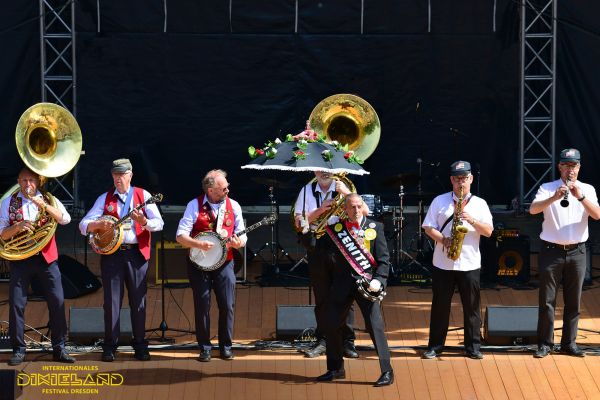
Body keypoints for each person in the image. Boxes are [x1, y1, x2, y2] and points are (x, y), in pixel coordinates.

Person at [79, 159, 164, 362]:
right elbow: (83, 225)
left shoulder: (143, 196)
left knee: (138, 301)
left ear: (130, 175)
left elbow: (159, 223)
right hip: (112, 256)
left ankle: (140, 345)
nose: (117, 178)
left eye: (121, 174)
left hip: (136, 254)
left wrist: (143, 221)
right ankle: (110, 345)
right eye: (115, 175)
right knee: (111, 302)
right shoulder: (104, 198)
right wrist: (96, 224)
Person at [316, 193, 394, 386]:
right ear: (345, 209)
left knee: (375, 326)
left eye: (359, 206)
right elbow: (318, 249)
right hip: (341, 285)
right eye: (352, 207)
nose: (356, 210)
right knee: (331, 323)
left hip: (367, 285)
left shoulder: (376, 228)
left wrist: (379, 280)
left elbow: (384, 260)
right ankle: (335, 368)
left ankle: (387, 371)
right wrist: (306, 229)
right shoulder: (336, 230)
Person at [529, 148, 600, 358]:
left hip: (577, 251)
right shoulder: (547, 187)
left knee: (573, 300)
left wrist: (581, 197)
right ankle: (545, 344)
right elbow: (533, 209)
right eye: (567, 165)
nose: (571, 169)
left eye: (574, 165)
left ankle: (569, 343)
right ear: (560, 166)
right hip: (551, 251)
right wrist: (553, 198)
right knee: (547, 300)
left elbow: (596, 215)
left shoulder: (587, 188)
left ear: (579, 167)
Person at [0, 167, 75, 365]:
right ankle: (18, 349)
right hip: (20, 260)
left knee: (57, 302)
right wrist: (16, 227)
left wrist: (45, 206)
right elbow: (2, 234)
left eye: (31, 181)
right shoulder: (8, 202)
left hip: (46, 259)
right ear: (18, 181)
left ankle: (59, 348)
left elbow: (65, 219)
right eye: (24, 180)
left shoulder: (49, 199)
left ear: (38, 182)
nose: (27, 185)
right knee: (17, 304)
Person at [421, 160, 493, 360]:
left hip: (469, 263)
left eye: (465, 178)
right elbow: (428, 227)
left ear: (471, 179)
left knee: (471, 306)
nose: (461, 183)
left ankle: (473, 347)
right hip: (443, 262)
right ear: (452, 180)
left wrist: (471, 220)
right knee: (440, 306)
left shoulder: (480, 203)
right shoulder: (440, 201)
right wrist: (443, 239)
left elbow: (488, 232)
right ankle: (435, 346)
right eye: (457, 179)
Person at [176, 169, 246, 362]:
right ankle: (205, 347)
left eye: (227, 187)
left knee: (227, 305)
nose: (227, 190)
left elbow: (242, 233)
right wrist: (198, 244)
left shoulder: (234, 205)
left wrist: (238, 242)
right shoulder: (194, 205)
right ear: (210, 190)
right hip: (199, 264)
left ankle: (226, 346)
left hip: (225, 263)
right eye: (223, 188)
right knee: (202, 306)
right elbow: (180, 236)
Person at [293, 171, 358, 359]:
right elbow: (299, 223)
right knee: (321, 295)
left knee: (346, 294)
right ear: (314, 171)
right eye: (320, 169)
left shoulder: (345, 188)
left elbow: (363, 214)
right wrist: (320, 210)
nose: (324, 173)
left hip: (342, 244)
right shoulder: (306, 191)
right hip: (318, 246)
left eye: (328, 168)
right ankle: (323, 340)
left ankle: (348, 341)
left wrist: (346, 195)